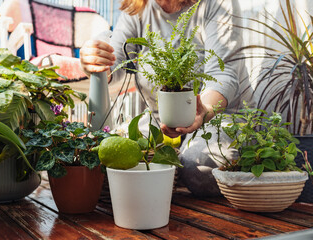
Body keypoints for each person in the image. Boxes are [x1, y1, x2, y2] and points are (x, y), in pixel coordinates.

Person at [80, 0, 255, 197]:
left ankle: (175, 167)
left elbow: (223, 76)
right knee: (111, 158)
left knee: (200, 168)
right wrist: (95, 61)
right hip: (160, 123)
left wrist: (202, 111)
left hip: (219, 117)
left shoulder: (218, 4)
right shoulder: (138, 6)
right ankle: (171, 168)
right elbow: (116, 64)